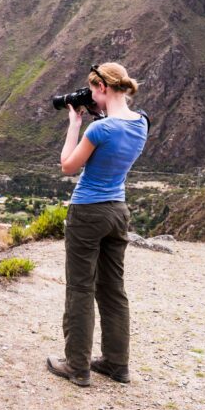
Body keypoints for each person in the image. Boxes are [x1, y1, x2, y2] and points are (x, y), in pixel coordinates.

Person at [46, 62, 148, 387]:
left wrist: (75, 123)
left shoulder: (98, 129)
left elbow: (68, 166)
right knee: (113, 290)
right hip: (118, 211)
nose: (90, 96)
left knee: (80, 288)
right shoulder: (141, 123)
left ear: (102, 88)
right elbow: (113, 146)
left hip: (88, 212)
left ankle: (77, 366)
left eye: (92, 90)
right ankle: (117, 364)